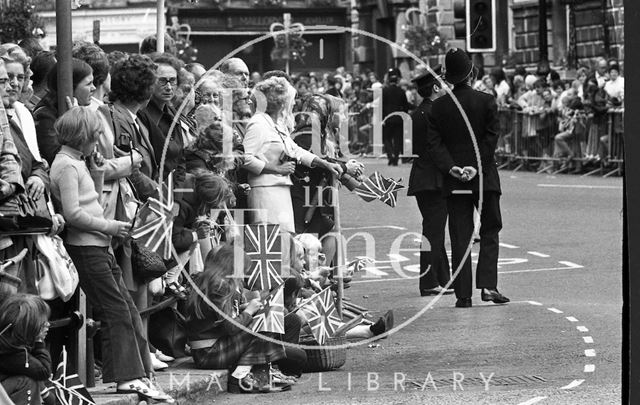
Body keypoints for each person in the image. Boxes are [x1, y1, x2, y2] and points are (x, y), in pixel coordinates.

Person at [49, 107, 173, 402]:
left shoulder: (76, 162)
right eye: (94, 136)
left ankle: (136, 374)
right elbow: (73, 213)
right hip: (87, 246)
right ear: (83, 136)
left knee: (126, 308)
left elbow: (87, 197)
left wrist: (96, 170)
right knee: (117, 309)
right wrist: (111, 226)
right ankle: (128, 378)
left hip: (99, 245)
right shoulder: (66, 166)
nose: (97, 141)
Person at [426, 48, 509, 308]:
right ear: (471, 72)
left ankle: (463, 295)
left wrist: (453, 168)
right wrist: (475, 166)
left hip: (454, 179)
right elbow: (490, 138)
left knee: (460, 234)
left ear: (448, 76)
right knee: (490, 229)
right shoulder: (486, 101)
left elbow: (435, 144)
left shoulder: (438, 106)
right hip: (483, 176)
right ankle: (488, 286)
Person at [185, 244, 291, 394]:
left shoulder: (209, 282)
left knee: (262, 320)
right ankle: (241, 378)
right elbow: (230, 328)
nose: (242, 277)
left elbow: (218, 319)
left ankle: (257, 375)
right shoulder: (219, 286)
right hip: (209, 353)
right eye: (241, 271)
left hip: (207, 350)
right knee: (264, 324)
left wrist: (243, 309)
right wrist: (248, 312)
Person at [242, 76, 342, 234]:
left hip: (280, 188)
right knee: (272, 240)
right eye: (292, 99)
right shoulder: (258, 123)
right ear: (281, 102)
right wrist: (276, 169)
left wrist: (325, 163)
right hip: (265, 190)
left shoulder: (277, 124)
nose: (295, 103)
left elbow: (294, 150)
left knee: (286, 239)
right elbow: (245, 158)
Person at [407, 65, 454, 297]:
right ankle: (428, 282)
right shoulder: (436, 113)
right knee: (433, 232)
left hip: (423, 177)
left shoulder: (420, 112)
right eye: (444, 83)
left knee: (435, 229)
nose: (447, 87)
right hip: (433, 179)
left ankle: (443, 278)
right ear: (436, 87)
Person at [33, 58, 95, 165]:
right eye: (88, 84)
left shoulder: (82, 111)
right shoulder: (44, 116)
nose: (93, 88)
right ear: (70, 87)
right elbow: (58, 158)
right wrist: (76, 121)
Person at [0, 294, 52, 405]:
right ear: (29, 326)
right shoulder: (12, 351)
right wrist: (39, 342)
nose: (48, 324)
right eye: (42, 324)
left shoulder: (7, 339)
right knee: (26, 382)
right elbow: (44, 371)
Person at [382, 68, 410, 166]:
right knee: (398, 139)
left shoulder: (384, 91)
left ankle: (391, 156)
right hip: (399, 118)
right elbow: (406, 106)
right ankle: (396, 158)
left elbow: (382, 106)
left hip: (388, 118)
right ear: (397, 80)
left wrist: (382, 118)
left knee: (387, 138)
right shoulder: (401, 91)